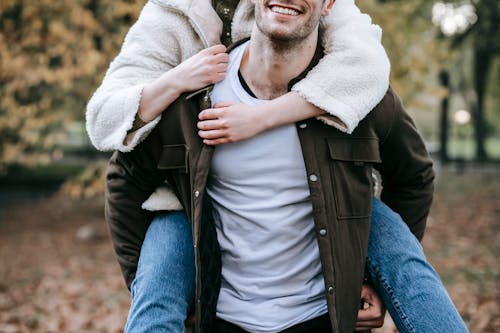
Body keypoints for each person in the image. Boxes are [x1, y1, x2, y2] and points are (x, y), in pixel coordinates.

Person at [88, 0, 469, 332]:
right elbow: (123, 178)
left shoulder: (355, 94)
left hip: (321, 316)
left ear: (330, 4)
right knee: (165, 237)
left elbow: (414, 176)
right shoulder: (193, 99)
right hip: (222, 316)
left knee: (387, 235)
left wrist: (365, 278)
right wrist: (160, 287)